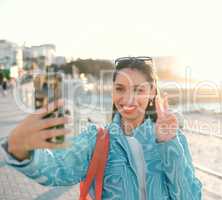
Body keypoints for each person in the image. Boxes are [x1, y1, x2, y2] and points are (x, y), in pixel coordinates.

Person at [0, 57, 203, 199]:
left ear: (152, 92)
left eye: (139, 90)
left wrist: (168, 144)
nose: (128, 99)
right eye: (120, 89)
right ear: (112, 91)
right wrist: (20, 149)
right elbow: (58, 169)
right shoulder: (96, 139)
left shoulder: (173, 140)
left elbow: (189, 197)